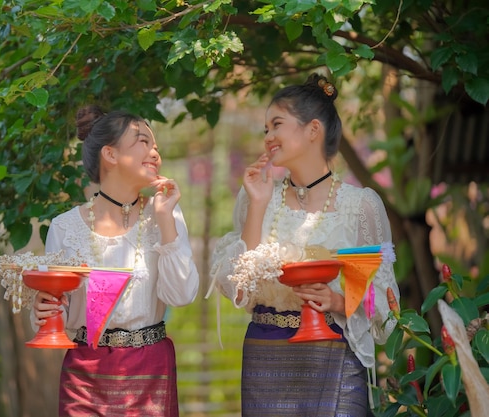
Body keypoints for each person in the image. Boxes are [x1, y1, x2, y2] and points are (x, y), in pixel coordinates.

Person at [209, 73, 400, 417]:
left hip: (335, 357)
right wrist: (256, 203)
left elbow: (387, 308)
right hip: (266, 355)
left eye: (276, 124)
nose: (268, 137)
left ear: (313, 130)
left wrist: (340, 301)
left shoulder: (362, 206)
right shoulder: (255, 197)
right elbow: (239, 284)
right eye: (265, 129)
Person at [32, 105, 199, 416]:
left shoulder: (165, 215)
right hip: (85, 373)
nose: (154, 153)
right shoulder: (64, 227)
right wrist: (43, 309)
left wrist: (164, 218)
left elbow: (182, 294)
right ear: (109, 154)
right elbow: (61, 317)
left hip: (151, 368)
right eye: (143, 142)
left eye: (156, 147)